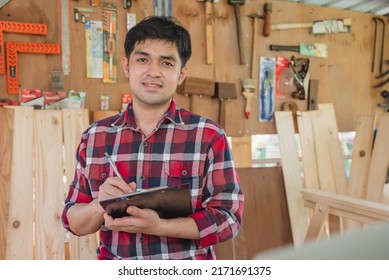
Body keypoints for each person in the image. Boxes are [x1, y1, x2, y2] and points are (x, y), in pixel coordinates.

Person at [61, 16, 244, 260]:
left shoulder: (209, 136)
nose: (153, 71)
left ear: (181, 74)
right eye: (143, 59)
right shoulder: (95, 137)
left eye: (167, 63)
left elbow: (228, 220)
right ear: (127, 66)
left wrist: (159, 227)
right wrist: (99, 204)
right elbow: (73, 222)